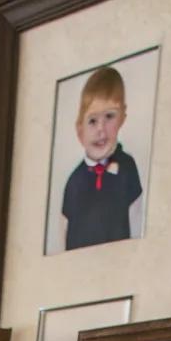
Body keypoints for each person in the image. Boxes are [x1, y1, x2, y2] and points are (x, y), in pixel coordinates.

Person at [60, 66, 143, 253]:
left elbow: (137, 225)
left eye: (109, 117)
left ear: (122, 117)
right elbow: (64, 236)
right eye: (92, 120)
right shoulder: (74, 182)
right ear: (79, 130)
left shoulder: (127, 169)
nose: (101, 129)